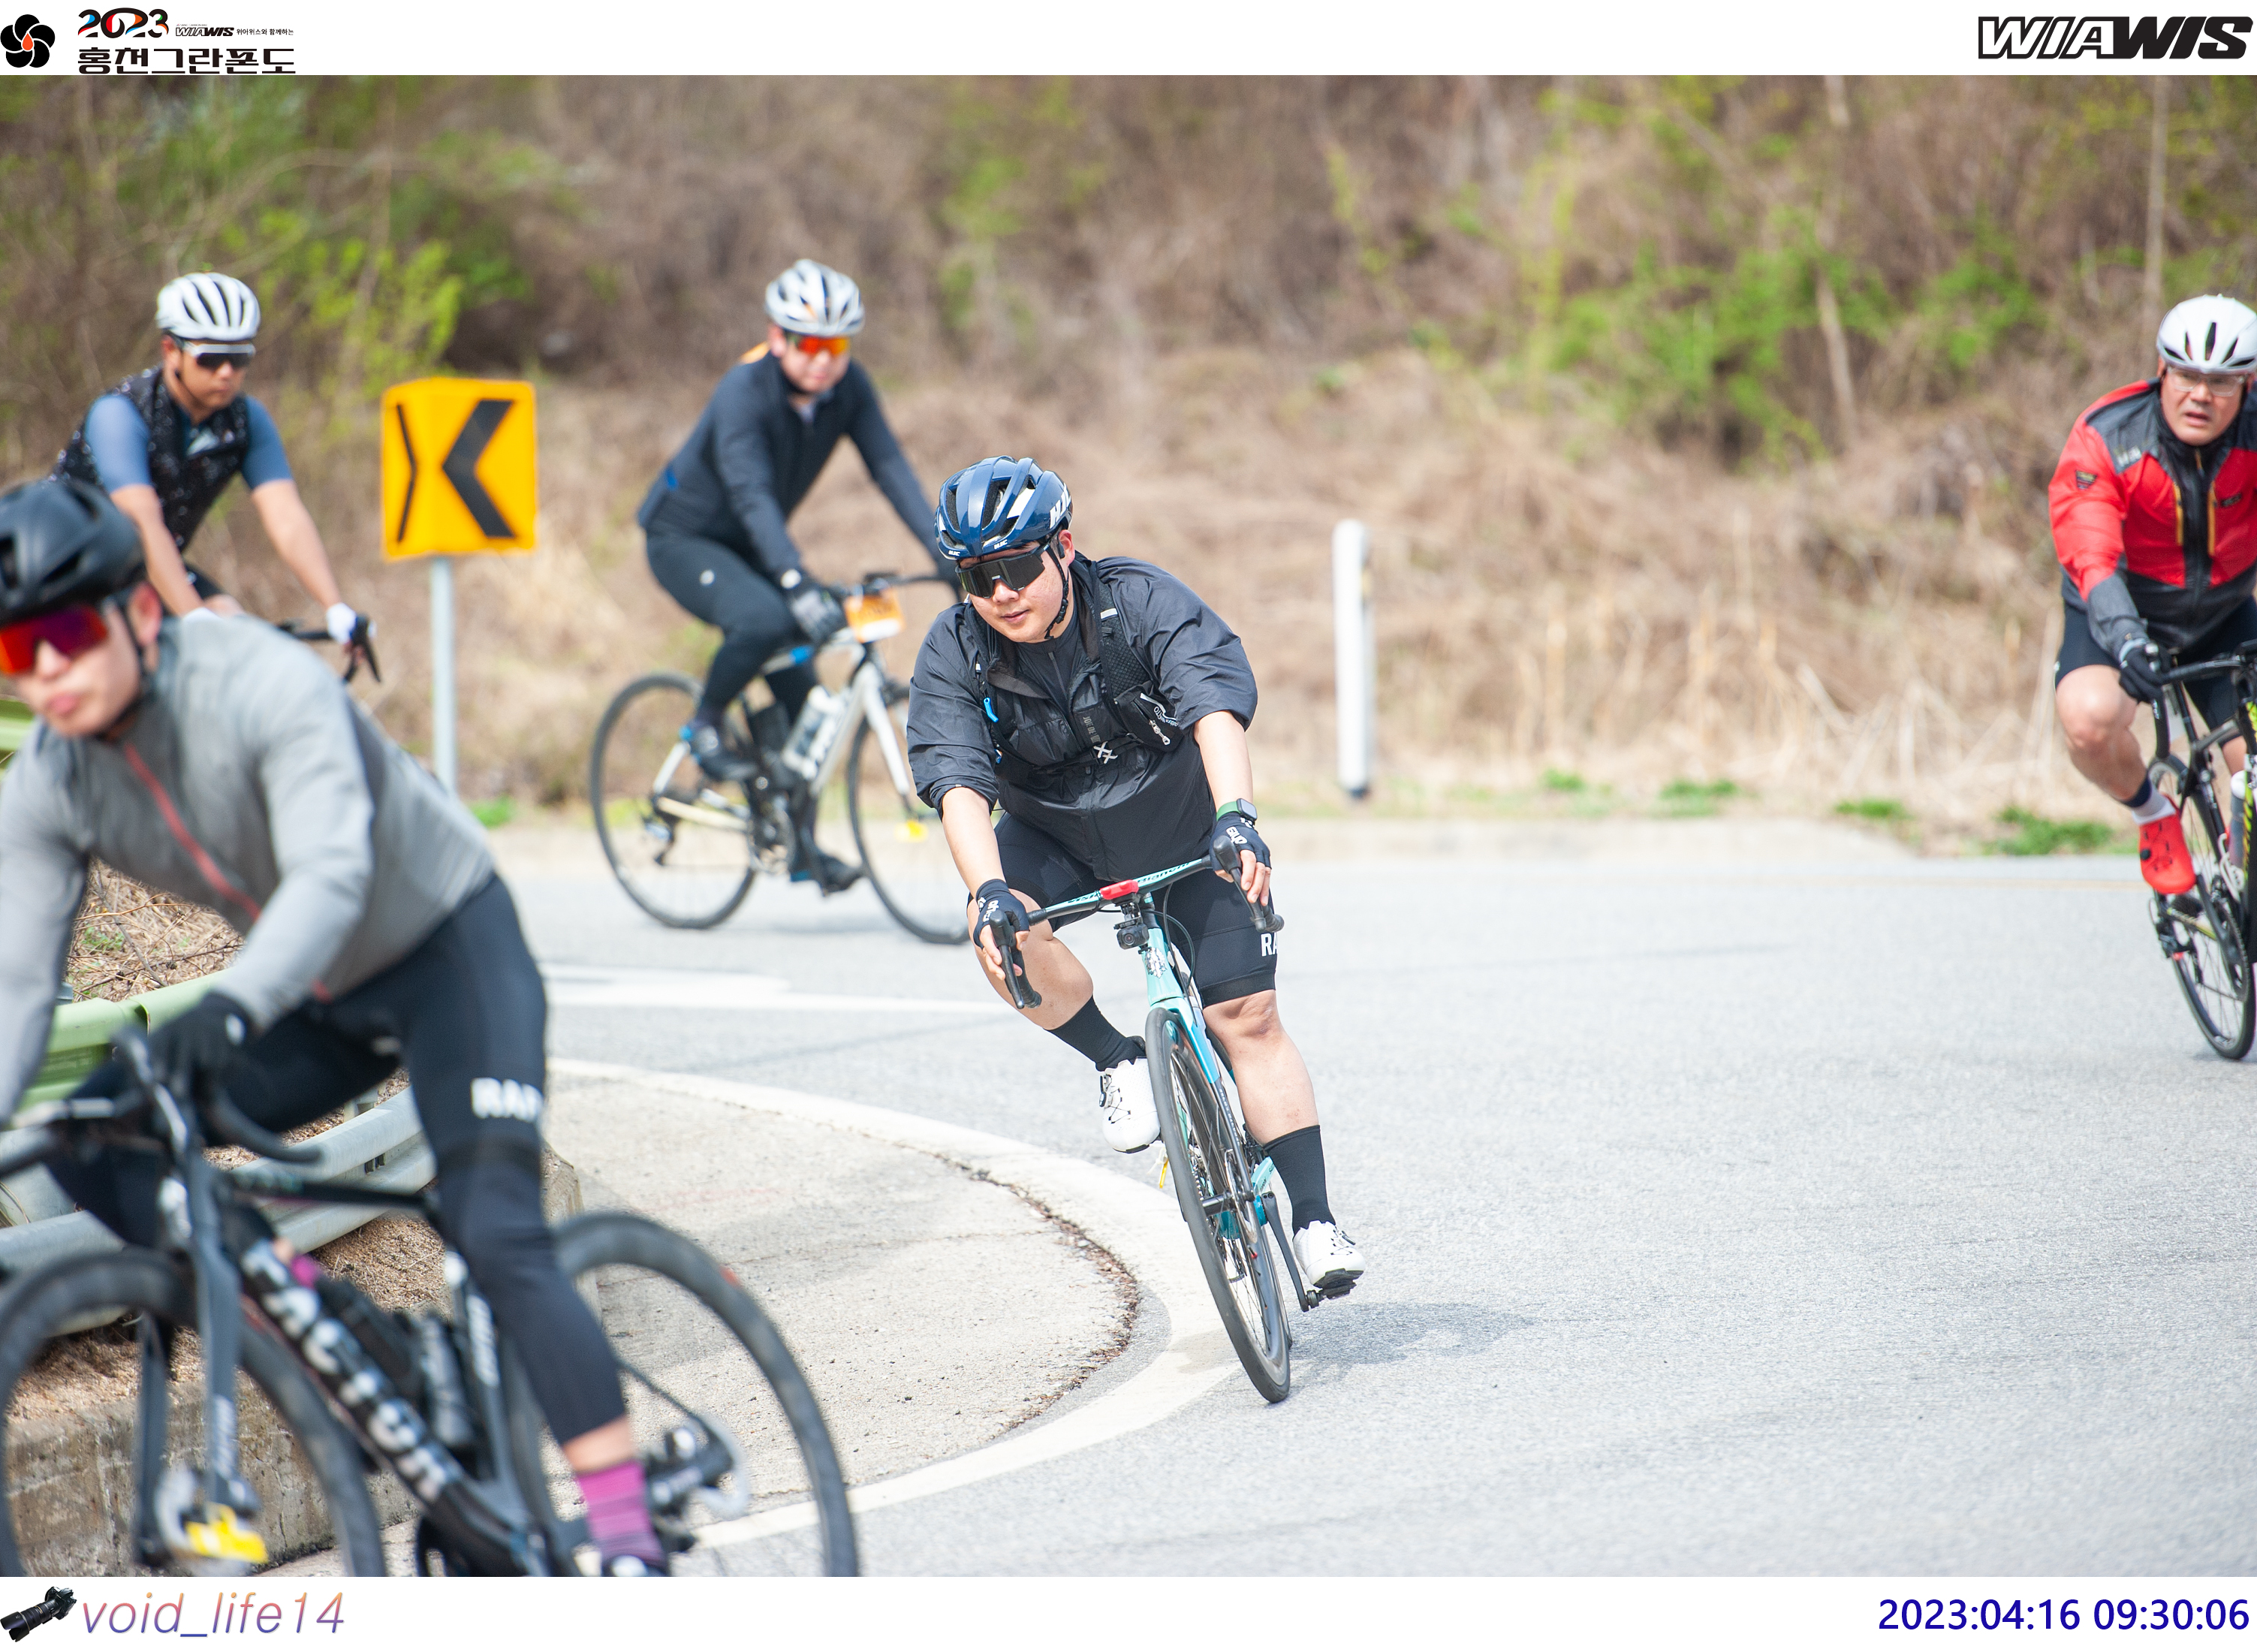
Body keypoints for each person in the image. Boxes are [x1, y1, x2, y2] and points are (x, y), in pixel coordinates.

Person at [0, 478, 665, 1575]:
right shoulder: (50, 781)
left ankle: (630, 1537)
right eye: (15, 654)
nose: (45, 674)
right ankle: (359, 1340)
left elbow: (331, 871)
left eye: (64, 635)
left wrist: (229, 1008)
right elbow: (19, 991)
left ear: (144, 611)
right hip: (318, 997)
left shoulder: (256, 680)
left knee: (495, 1230)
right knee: (92, 1138)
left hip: (446, 950)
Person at [905, 456, 1365, 1295]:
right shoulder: (955, 647)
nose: (1001, 592)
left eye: (1017, 567)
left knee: (1247, 1016)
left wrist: (1237, 817)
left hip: (1182, 826)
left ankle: (1314, 1222)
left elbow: (1211, 704)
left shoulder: (1138, 599)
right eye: (977, 577)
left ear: (1062, 547)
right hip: (1056, 838)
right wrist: (990, 891)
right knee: (993, 930)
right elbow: (956, 779)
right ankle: (1117, 1060)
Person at [638, 258, 950, 892]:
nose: (823, 361)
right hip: (685, 538)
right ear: (777, 337)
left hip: (754, 545)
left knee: (807, 696)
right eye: (809, 345)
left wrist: (947, 553)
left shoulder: (849, 390)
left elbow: (891, 470)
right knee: (765, 620)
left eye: (836, 346)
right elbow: (750, 494)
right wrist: (794, 580)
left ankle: (797, 843)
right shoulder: (744, 392)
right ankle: (704, 723)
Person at [50, 272, 369, 663]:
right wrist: (194, 617)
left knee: (235, 630)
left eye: (239, 359)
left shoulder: (245, 421)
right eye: (211, 359)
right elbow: (142, 524)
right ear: (171, 350)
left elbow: (286, 515)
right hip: (65, 565)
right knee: (143, 658)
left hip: (136, 566)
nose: (226, 373)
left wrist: (335, 607)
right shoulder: (121, 414)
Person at [2053, 294, 2257, 894]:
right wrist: (2125, 637)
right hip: (2122, 613)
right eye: (2187, 375)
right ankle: (2152, 814)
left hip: (2222, 613)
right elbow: (2091, 553)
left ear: (2247, 385)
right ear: (2162, 371)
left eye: (2221, 382)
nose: (2201, 395)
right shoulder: (2108, 436)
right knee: (2089, 722)